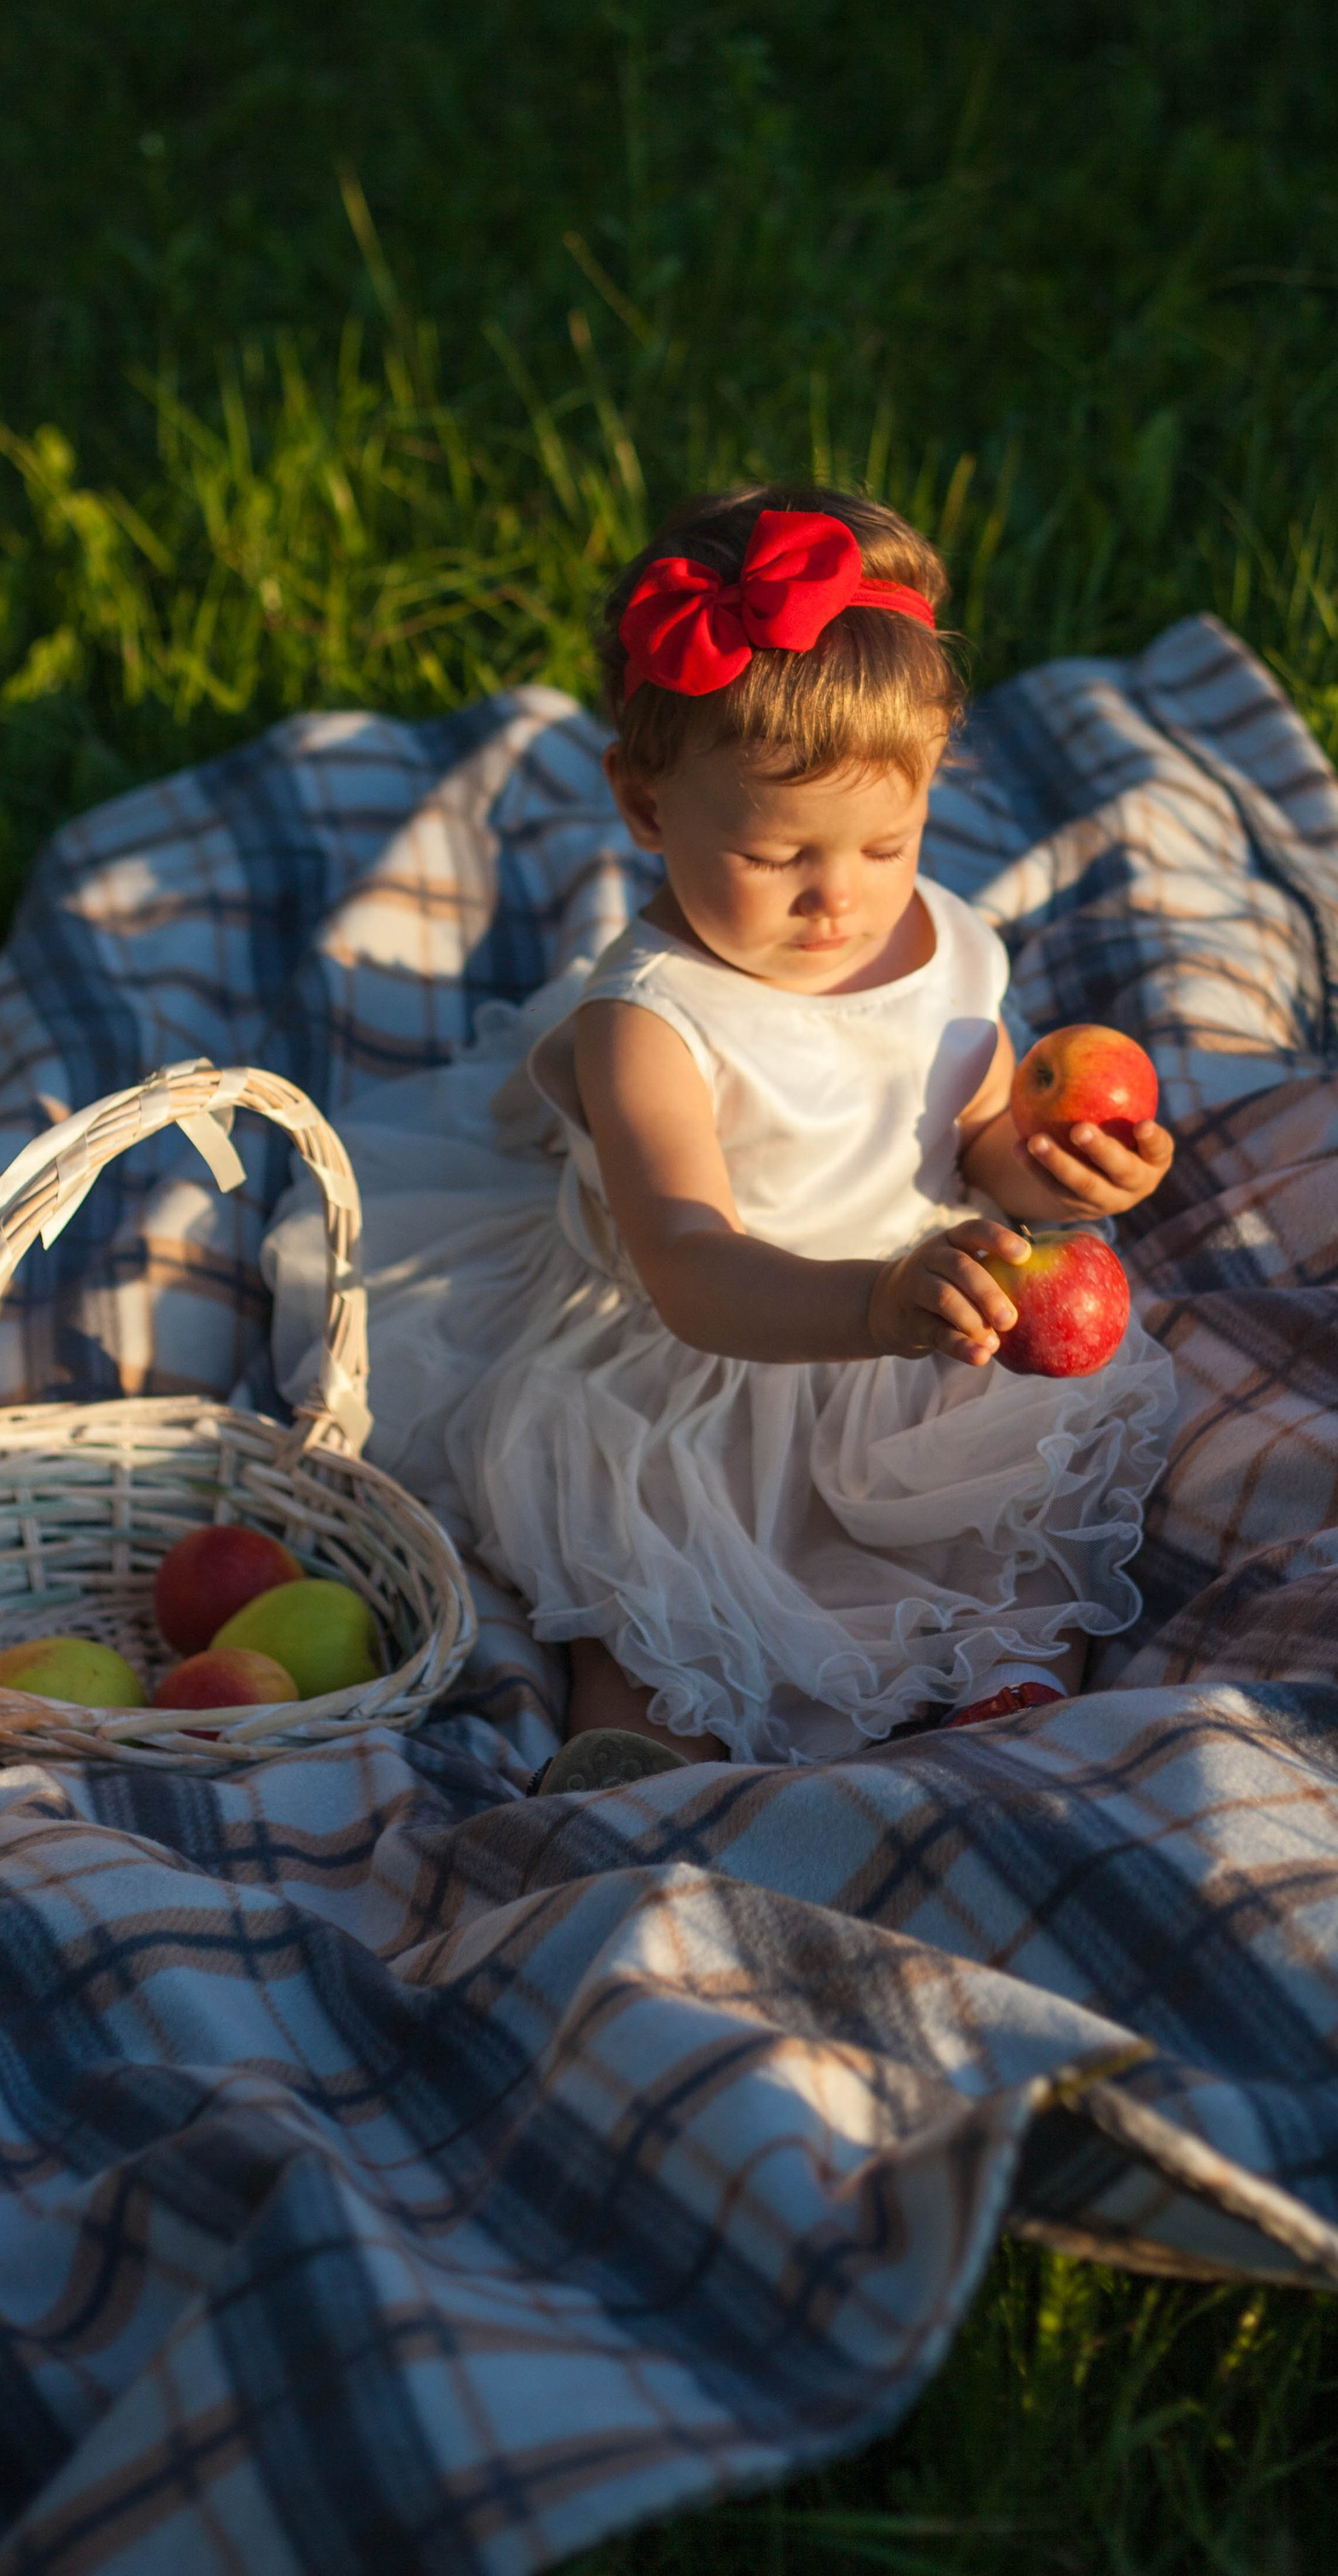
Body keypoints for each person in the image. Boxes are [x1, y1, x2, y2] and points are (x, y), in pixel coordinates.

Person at [265, 485, 1178, 1782]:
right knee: (660, 1579)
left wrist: (1062, 1170)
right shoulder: (649, 1023)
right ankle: (636, 1747)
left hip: (917, 1316)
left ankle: (1015, 1697)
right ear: (645, 808)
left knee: (1005, 1526)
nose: (839, 897)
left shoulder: (951, 945)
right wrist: (868, 1307)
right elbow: (691, 1264)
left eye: (888, 841)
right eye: (774, 853)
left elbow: (969, 1138)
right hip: (698, 1366)